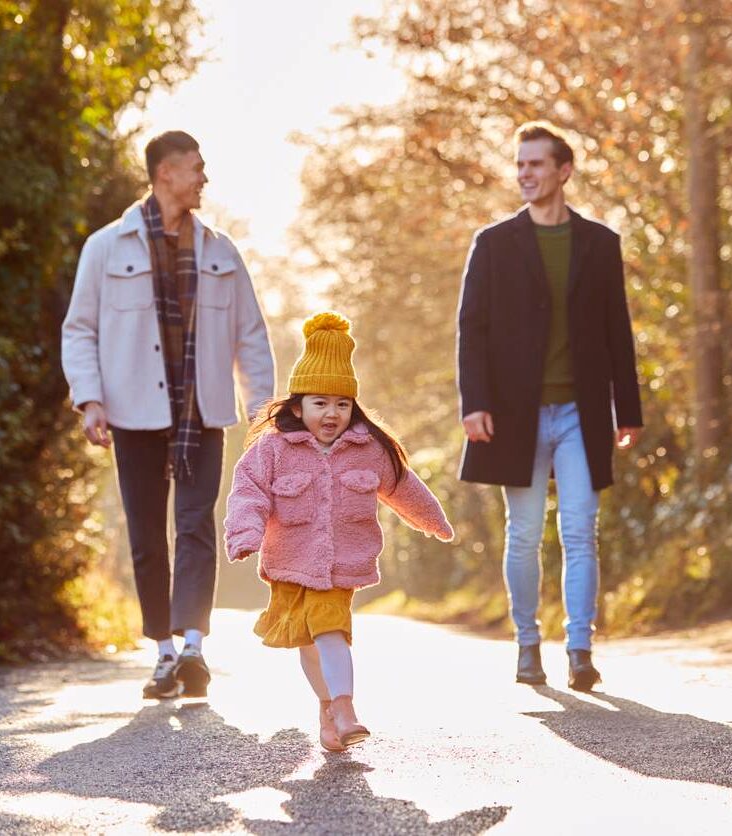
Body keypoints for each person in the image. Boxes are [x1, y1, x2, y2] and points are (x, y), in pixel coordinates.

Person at [62, 130, 274, 699]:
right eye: (195, 168)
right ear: (164, 174)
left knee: (196, 526)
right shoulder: (107, 248)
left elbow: (251, 338)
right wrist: (90, 398)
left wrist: (264, 417)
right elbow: (80, 329)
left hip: (203, 414)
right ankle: (162, 651)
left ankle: (195, 649)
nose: (204, 178)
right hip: (133, 413)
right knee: (148, 535)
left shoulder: (221, 251)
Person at [456, 120, 643, 692]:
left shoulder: (600, 244)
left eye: (536, 164)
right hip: (515, 413)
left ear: (564, 171)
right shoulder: (494, 243)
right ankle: (527, 644)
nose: (525, 174)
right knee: (524, 533)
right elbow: (473, 328)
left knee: (581, 531)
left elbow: (618, 330)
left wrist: (627, 410)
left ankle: (580, 649)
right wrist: (475, 402)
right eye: (519, 165)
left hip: (580, 414)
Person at [224, 312, 454, 750]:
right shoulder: (272, 448)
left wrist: (433, 521)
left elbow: (404, 487)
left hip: (342, 564)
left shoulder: (369, 449)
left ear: (354, 407)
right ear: (298, 406)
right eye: (321, 403)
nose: (332, 413)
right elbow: (247, 493)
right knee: (306, 642)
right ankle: (327, 710)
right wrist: (245, 535)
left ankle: (345, 708)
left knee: (330, 628)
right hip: (290, 562)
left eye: (342, 404)